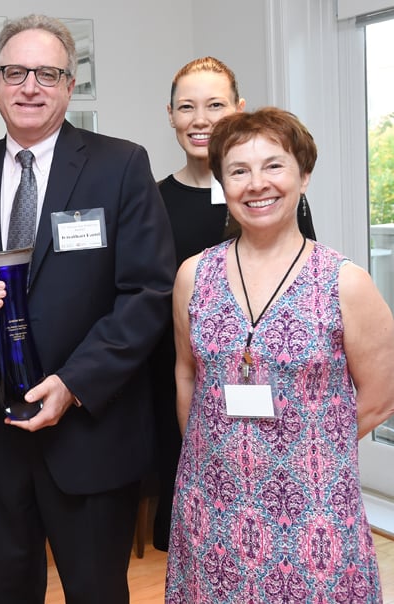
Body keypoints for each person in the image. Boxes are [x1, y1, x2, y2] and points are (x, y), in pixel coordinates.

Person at [0, 14, 175, 603]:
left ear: (69, 85)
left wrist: (74, 382)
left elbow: (149, 291)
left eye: (47, 73)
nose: (30, 86)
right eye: (16, 72)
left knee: (95, 590)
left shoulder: (120, 166)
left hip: (87, 431)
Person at [166, 107, 394, 602]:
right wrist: (218, 454)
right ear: (223, 184)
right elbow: (187, 377)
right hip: (213, 506)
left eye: (273, 165)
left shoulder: (344, 283)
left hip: (314, 511)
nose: (256, 184)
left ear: (303, 175)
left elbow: (380, 397)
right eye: (238, 171)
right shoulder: (192, 277)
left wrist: (303, 446)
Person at [150, 57, 319, 552]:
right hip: (182, 383)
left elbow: (306, 289)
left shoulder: (272, 193)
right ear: (171, 116)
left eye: (216, 105)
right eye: (187, 107)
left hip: (275, 394)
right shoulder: (151, 199)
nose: (201, 119)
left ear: (239, 109)